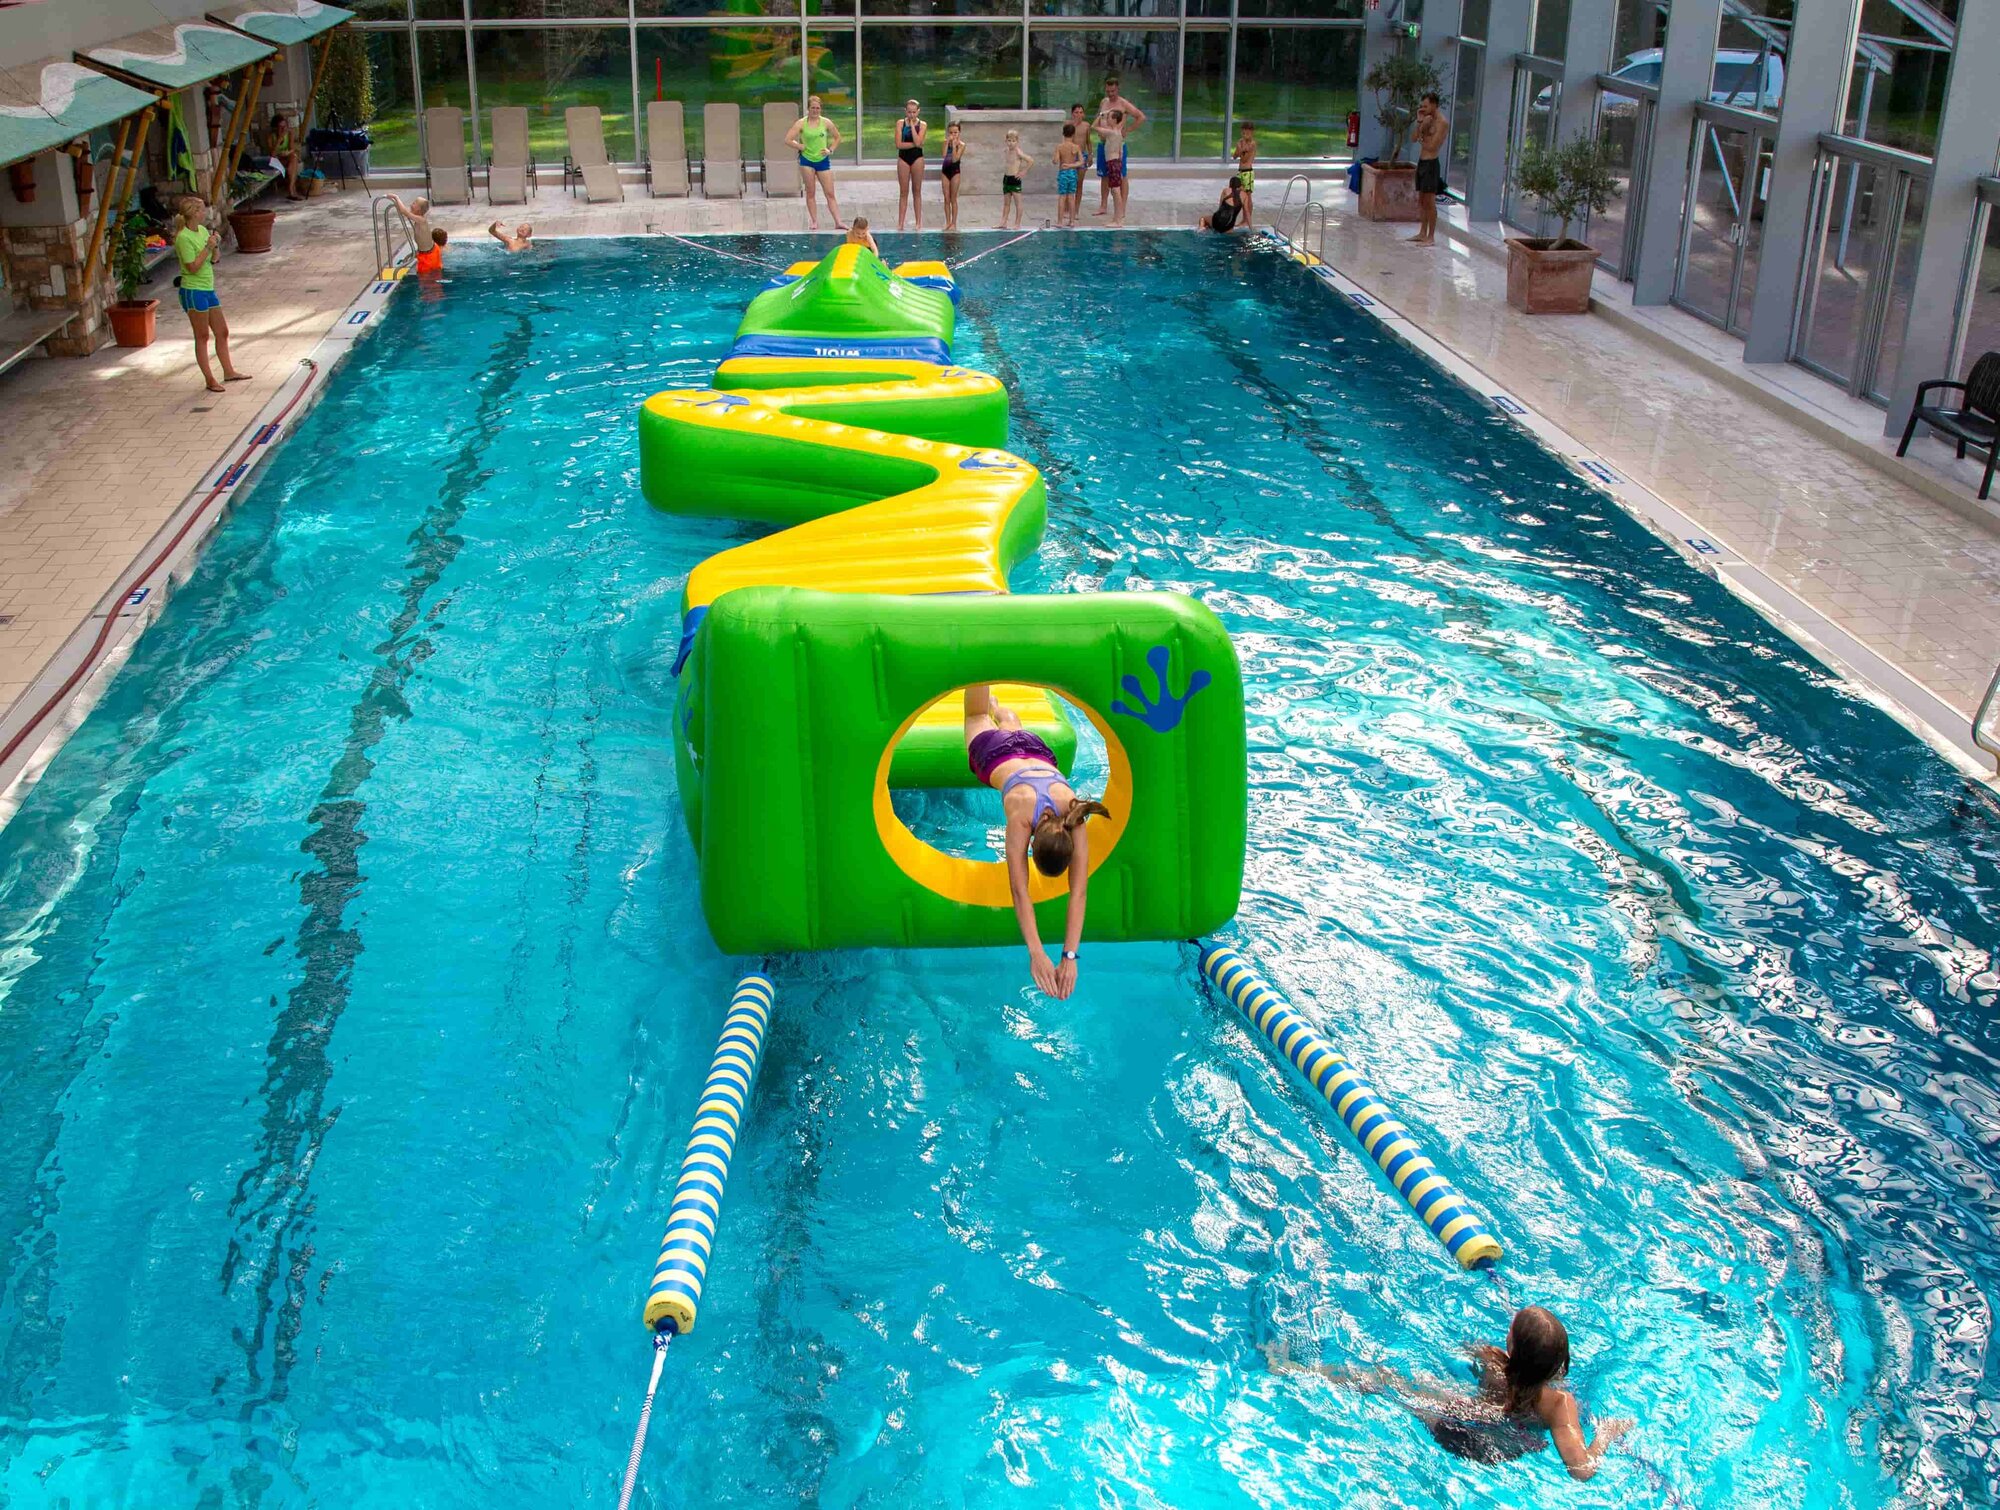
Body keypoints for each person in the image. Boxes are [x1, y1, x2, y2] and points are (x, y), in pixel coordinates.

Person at [1266, 1307, 1633, 1481]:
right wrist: (1605, 1435)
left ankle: (1295, 1369)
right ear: (1560, 1364)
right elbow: (1581, 1470)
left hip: (1451, 1426)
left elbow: (1470, 1352)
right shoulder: (1558, 1404)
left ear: (1511, 1346)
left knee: (1384, 1380)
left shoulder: (1493, 1360)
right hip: (1496, 1454)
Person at [964, 685, 1110, 1000]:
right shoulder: (1021, 816)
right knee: (975, 717)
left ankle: (997, 706)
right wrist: (1037, 952)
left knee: (1011, 726)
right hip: (995, 753)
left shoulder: (1074, 811)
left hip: (1036, 750)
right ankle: (982, 686)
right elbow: (1022, 891)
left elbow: (1079, 892)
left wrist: (1068, 956)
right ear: (1031, 845)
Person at [171, 196, 246, 393]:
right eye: (202, 210)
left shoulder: (203, 231)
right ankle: (209, 379)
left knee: (222, 331)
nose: (205, 213)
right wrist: (208, 247)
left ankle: (228, 371)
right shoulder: (183, 238)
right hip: (193, 290)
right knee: (202, 336)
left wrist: (215, 246)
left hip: (207, 288)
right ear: (194, 213)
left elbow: (214, 260)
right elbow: (192, 267)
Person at [786, 95, 845, 233]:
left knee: (830, 193)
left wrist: (830, 150)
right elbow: (788, 139)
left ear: (821, 109)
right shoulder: (801, 123)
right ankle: (814, 221)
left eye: (818, 108)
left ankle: (838, 221)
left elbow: (838, 137)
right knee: (811, 192)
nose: (815, 110)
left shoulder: (826, 122)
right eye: (813, 108)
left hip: (822, 160)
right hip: (807, 161)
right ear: (808, 108)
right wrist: (800, 146)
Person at [1091, 76, 1145, 217]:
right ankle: (1103, 205)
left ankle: (1122, 208)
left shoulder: (1123, 104)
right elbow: (1099, 118)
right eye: (1108, 91)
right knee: (1104, 175)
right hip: (1104, 144)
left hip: (1116, 147)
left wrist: (1128, 130)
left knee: (1122, 175)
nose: (1110, 94)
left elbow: (1141, 117)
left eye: (1113, 91)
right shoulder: (1104, 102)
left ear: (1117, 89)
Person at [1410, 91, 1449, 247]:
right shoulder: (1425, 120)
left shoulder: (1442, 123)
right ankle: (1422, 232)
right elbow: (1413, 138)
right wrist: (1420, 123)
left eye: (1425, 106)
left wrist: (1422, 136)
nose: (1423, 109)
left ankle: (1430, 237)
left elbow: (1432, 146)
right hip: (1422, 162)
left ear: (1434, 105)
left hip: (1431, 164)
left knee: (1430, 202)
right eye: (1422, 106)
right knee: (1421, 200)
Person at [895, 98, 927, 232]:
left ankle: (918, 222)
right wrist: (915, 144)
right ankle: (900, 223)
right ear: (905, 111)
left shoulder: (923, 125)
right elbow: (898, 144)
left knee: (917, 191)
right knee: (903, 192)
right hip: (903, 159)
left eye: (914, 112)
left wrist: (913, 126)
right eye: (909, 112)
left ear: (918, 111)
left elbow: (919, 142)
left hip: (917, 159)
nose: (911, 115)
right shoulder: (900, 123)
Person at [1096, 110, 1132, 226]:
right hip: (1116, 163)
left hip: (1112, 163)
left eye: (1109, 117)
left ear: (1115, 120)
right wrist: (1119, 168)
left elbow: (1094, 127)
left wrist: (1101, 115)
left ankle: (1118, 220)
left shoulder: (1111, 133)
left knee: (1116, 192)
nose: (1107, 119)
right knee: (1115, 191)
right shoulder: (1119, 133)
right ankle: (1117, 218)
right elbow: (1121, 153)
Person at [997, 129, 1032, 230]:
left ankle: (1017, 223)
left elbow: (1030, 161)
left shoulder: (1018, 152)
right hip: (1006, 178)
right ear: (1006, 141)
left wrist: (1024, 171)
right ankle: (1003, 222)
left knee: (1018, 203)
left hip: (1014, 179)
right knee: (1006, 203)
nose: (1011, 143)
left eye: (1013, 141)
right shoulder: (1006, 150)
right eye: (1009, 140)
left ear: (1017, 141)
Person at [1053, 123, 1085, 229]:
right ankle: (1072, 221)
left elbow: (1055, 161)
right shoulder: (1076, 147)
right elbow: (1081, 162)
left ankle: (1060, 221)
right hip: (1072, 173)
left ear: (1063, 134)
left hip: (1063, 173)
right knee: (1071, 197)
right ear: (1073, 134)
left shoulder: (1060, 147)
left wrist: (1059, 160)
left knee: (1062, 197)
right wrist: (1071, 165)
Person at [385, 192, 436, 257]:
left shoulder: (421, 220)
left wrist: (396, 197)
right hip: (425, 251)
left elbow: (405, 212)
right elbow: (403, 210)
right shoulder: (419, 218)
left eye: (414, 203)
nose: (411, 204)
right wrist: (396, 203)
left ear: (418, 209)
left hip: (428, 253)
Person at [268, 109, 303, 201]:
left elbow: (292, 148)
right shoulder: (271, 137)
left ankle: (291, 188)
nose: (283, 130)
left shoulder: (290, 133)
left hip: (286, 157)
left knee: (294, 157)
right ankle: (292, 190)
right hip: (276, 160)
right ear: (276, 128)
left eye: (285, 127)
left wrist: (287, 152)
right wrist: (279, 139)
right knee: (293, 160)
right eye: (280, 127)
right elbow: (272, 154)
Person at [939, 121, 966, 232]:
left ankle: (954, 223)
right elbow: (944, 155)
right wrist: (947, 144)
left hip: (955, 172)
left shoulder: (962, 145)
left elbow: (955, 159)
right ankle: (948, 222)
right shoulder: (945, 142)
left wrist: (954, 146)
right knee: (946, 198)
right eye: (951, 133)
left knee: (953, 198)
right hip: (945, 171)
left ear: (959, 132)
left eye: (955, 132)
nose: (953, 135)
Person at [1233, 120, 1257, 228]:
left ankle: (1247, 220)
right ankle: (1243, 219)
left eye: (1247, 133)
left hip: (1248, 172)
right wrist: (1239, 149)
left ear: (1251, 133)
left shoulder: (1252, 144)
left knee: (1248, 196)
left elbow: (1244, 159)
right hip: (1240, 172)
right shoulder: (1240, 142)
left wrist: (1241, 149)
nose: (1245, 135)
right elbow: (1235, 156)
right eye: (1243, 133)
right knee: (1240, 195)